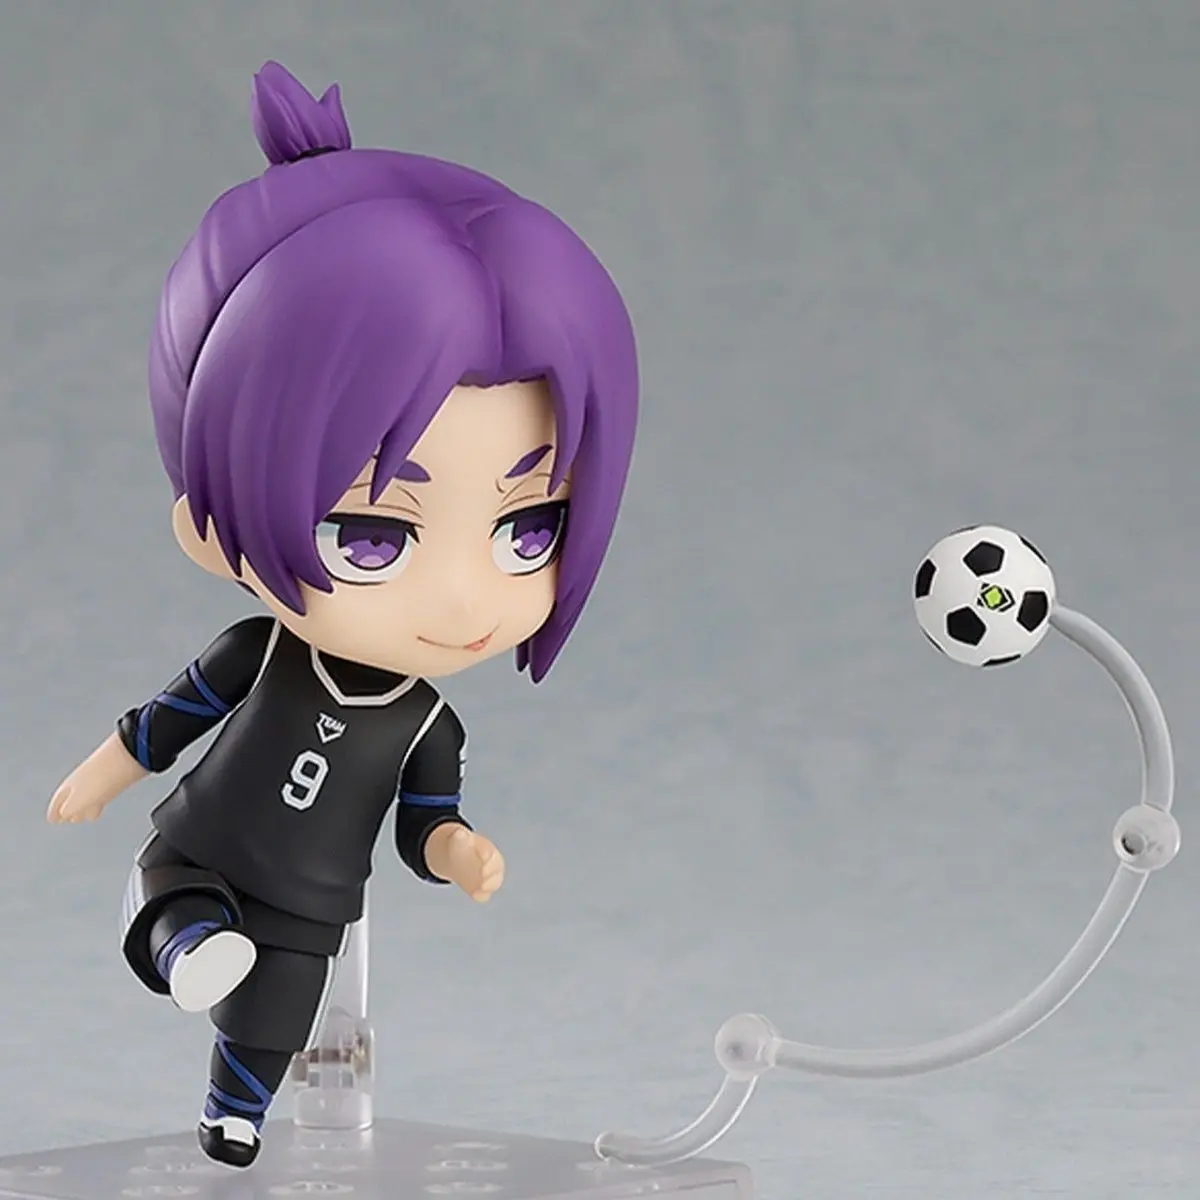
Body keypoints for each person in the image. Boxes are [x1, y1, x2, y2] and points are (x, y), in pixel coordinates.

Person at [47, 60, 638, 1170]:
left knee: (274, 1017)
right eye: (373, 537)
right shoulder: (258, 652)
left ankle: (233, 1115)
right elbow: (168, 720)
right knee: (185, 923)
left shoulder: (427, 724)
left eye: (528, 529)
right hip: (201, 850)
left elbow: (423, 820)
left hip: (317, 905)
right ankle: (181, 951)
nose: (462, 598)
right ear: (211, 527)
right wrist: (98, 777)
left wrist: (457, 851)